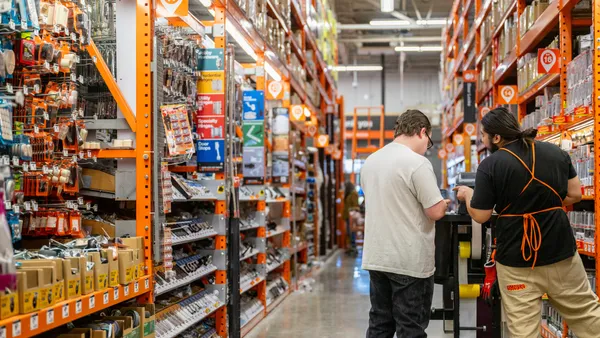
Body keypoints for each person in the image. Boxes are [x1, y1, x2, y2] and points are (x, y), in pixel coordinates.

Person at [455, 107, 600, 337]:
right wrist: (543, 203)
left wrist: (467, 194)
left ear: (496, 137)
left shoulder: (491, 166)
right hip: (561, 253)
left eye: (483, 134)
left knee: (523, 330)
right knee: (587, 315)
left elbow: (481, 215)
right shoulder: (555, 152)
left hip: (516, 261)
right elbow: (575, 194)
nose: (482, 139)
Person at [361, 110, 450, 338]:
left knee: (380, 323)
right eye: (428, 142)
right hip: (408, 260)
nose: (426, 148)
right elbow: (434, 210)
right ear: (422, 132)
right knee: (410, 327)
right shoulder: (417, 163)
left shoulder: (371, 161)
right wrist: (446, 203)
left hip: (377, 257)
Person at [343, 181, 359, 255]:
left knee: (351, 232)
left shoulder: (353, 194)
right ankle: (350, 247)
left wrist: (350, 210)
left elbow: (356, 206)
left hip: (352, 217)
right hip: (348, 216)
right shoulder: (349, 194)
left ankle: (353, 247)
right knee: (349, 232)